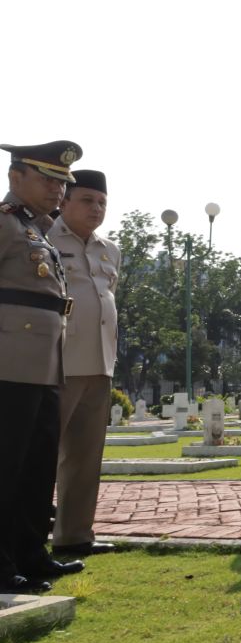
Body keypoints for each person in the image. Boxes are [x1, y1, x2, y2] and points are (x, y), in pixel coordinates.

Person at [0, 140, 86, 592]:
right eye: (48, 179)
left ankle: (31, 554)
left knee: (37, 467)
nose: (58, 190)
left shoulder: (38, 231)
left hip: (46, 365)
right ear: (16, 177)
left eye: (62, 182)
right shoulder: (5, 224)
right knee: (6, 466)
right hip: (8, 367)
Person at [49, 170, 120, 555]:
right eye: (87, 200)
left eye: (102, 203)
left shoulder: (109, 249)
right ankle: (21, 540)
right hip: (55, 364)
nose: (96, 209)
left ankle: (74, 536)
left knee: (85, 458)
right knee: (38, 456)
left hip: (99, 364)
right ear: (64, 202)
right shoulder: (43, 239)